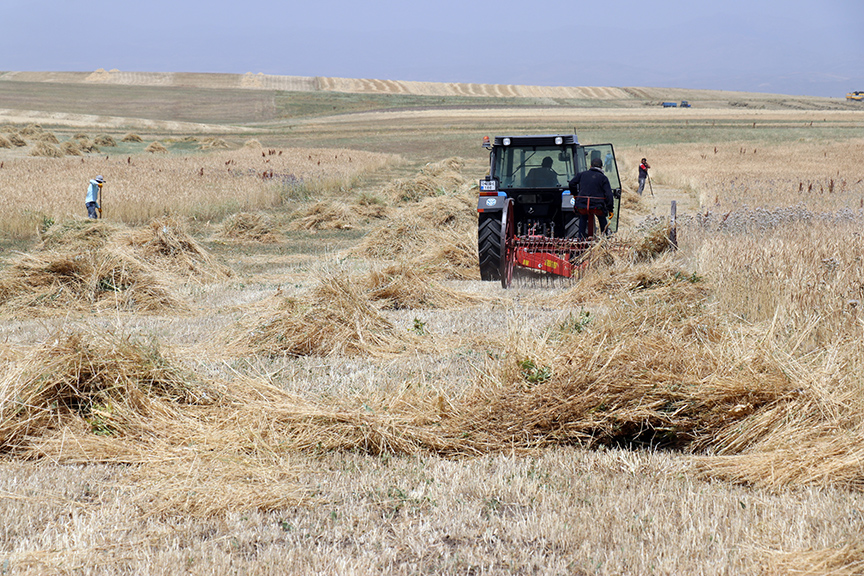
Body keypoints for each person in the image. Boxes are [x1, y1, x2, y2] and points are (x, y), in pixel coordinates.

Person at [569, 157, 614, 238]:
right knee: (602, 218)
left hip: (582, 205)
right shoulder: (603, 178)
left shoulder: (582, 174)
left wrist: (575, 194)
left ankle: (580, 238)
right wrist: (610, 209)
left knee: (583, 217)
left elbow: (571, 183)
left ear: (590, 166)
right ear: (601, 167)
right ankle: (605, 236)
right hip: (597, 206)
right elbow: (609, 195)